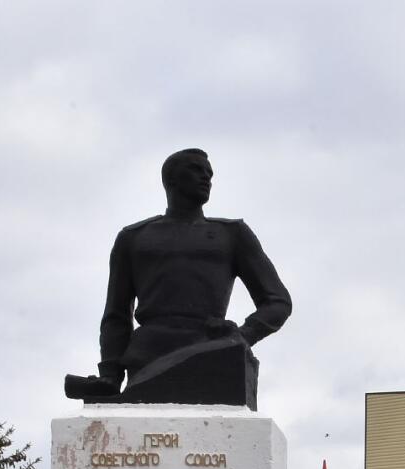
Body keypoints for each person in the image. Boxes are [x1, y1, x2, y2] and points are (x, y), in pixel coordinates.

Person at [92, 147, 291, 398]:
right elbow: (117, 314)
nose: (206, 178)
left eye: (209, 173)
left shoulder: (232, 234)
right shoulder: (134, 238)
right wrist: (110, 374)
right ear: (171, 180)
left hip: (211, 348)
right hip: (148, 356)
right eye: (196, 170)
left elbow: (278, 302)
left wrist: (243, 336)